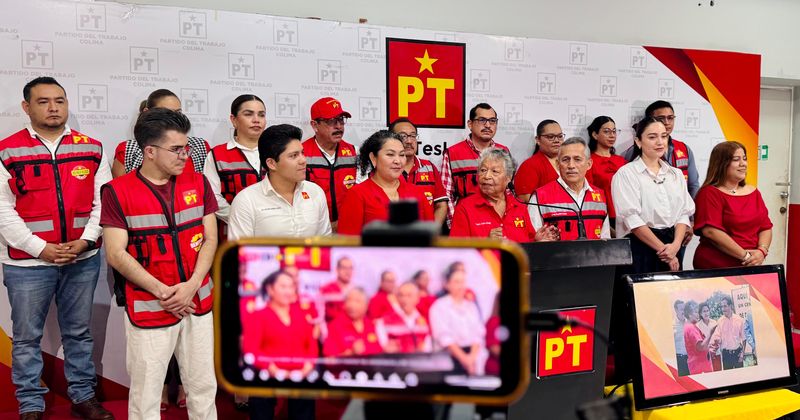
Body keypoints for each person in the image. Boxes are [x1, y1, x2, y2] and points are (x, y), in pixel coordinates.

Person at [0, 77, 113, 420]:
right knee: (26, 338)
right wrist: (40, 248)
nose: (53, 108)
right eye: (44, 101)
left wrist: (86, 241)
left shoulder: (92, 147)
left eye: (59, 101)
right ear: (26, 107)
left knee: (79, 333)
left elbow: (103, 202)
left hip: (83, 258)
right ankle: (31, 404)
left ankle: (82, 396)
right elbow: (3, 210)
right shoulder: (7, 150)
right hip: (27, 265)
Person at [102, 108, 218, 419]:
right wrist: (165, 293)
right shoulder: (117, 191)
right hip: (150, 306)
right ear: (149, 151)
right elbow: (115, 253)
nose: (185, 155)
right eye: (177, 149)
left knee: (204, 385)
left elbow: (210, 239)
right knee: (146, 393)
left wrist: (191, 286)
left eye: (186, 147)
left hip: (198, 301)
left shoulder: (199, 182)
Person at [611, 117, 694, 273]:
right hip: (640, 247)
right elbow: (632, 220)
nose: (660, 142)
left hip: (673, 245)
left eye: (664, 136)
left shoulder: (675, 174)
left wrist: (675, 246)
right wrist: (665, 251)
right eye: (652, 137)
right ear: (638, 141)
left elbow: (683, 213)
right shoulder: (626, 174)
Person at [227, 123, 331, 240]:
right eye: (293, 156)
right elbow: (237, 254)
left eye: (302, 153)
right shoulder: (246, 201)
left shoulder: (315, 192)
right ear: (271, 163)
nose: (303, 160)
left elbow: (325, 243)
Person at [241, 270, 317, 420]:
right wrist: (271, 368)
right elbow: (251, 349)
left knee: (306, 393)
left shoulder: (301, 314)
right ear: (270, 289)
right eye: (283, 286)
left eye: (291, 287)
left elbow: (311, 344)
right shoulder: (258, 315)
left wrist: (308, 365)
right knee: (260, 394)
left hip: (300, 372)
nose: (288, 291)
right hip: (268, 372)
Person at [450, 147, 557, 242]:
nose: (486, 176)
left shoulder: (519, 208)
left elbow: (527, 246)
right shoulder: (465, 208)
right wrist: (485, 243)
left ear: (508, 178)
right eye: (483, 170)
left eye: (494, 171)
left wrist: (537, 241)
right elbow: (456, 252)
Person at [693, 141, 772, 269]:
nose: (743, 164)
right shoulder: (709, 193)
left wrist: (762, 251)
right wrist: (746, 256)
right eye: (736, 159)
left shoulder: (753, 192)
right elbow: (711, 232)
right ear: (721, 164)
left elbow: (766, 227)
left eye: (744, 159)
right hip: (717, 265)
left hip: (750, 264)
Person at [337, 130, 433, 235]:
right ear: (373, 158)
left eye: (402, 155)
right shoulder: (357, 194)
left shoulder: (417, 193)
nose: (398, 161)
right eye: (390, 154)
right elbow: (348, 243)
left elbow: (431, 238)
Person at [204, 94, 267, 240]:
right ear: (234, 120)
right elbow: (212, 196)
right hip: (232, 238)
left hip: (272, 234)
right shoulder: (217, 154)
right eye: (248, 114)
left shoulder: (277, 152)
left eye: (261, 115)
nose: (256, 120)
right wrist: (242, 219)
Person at [111, 89, 210, 178]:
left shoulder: (199, 147)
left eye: (178, 112)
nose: (173, 117)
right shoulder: (129, 150)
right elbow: (120, 190)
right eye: (166, 112)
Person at [440, 103, 509, 225]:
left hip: (498, 221)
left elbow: (508, 191)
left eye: (492, 121)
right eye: (482, 120)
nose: (488, 125)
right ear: (470, 124)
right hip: (466, 222)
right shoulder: (453, 153)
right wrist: (457, 224)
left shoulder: (503, 151)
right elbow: (446, 194)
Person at [529, 137, 611, 240]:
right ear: (558, 165)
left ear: (589, 164)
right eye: (565, 160)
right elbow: (530, 240)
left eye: (577, 159)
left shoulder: (600, 196)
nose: (571, 165)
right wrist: (538, 241)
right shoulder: (540, 196)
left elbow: (606, 239)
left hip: (593, 255)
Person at [622, 100, 700, 197]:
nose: (667, 122)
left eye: (670, 118)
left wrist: (690, 211)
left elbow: (693, 185)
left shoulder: (684, 149)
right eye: (661, 118)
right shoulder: (634, 151)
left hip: (681, 209)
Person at [302, 97, 357, 231]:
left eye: (341, 120)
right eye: (331, 121)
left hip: (348, 229)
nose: (338, 126)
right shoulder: (300, 153)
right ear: (315, 125)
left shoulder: (355, 152)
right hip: (313, 231)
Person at [390, 118, 449, 226]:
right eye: (403, 136)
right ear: (390, 139)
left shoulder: (429, 167)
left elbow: (441, 205)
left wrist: (430, 232)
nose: (409, 141)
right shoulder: (386, 170)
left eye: (413, 136)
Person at [429, 264, 486, 376]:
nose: (461, 286)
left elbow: (478, 333)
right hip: (450, 357)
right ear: (447, 284)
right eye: (456, 282)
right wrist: (464, 359)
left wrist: (472, 358)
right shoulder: (439, 306)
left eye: (463, 282)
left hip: (472, 357)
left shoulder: (471, 306)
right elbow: (443, 337)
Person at [585, 116, 626, 233]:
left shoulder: (621, 161)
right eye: (606, 131)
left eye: (614, 131)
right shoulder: (589, 162)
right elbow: (589, 193)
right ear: (595, 135)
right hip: (603, 215)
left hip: (625, 215)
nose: (612, 135)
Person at [514, 119, 564, 202]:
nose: (557, 140)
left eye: (560, 136)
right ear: (538, 140)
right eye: (551, 137)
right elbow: (526, 201)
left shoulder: (569, 163)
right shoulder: (529, 166)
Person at [323, 288, 384, 356]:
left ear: (366, 305)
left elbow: (379, 353)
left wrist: (387, 350)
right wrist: (351, 353)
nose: (352, 305)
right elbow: (329, 360)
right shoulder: (335, 326)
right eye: (349, 301)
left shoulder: (372, 325)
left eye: (357, 301)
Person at [375, 282, 432, 353]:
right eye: (401, 295)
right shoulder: (384, 322)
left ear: (417, 298)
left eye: (409, 295)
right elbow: (382, 348)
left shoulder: (424, 322)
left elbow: (428, 348)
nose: (404, 299)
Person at [712, 296, 746, 370]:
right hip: (726, 355)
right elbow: (717, 337)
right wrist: (717, 340)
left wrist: (742, 354)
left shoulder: (739, 320)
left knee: (741, 376)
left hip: (738, 353)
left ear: (730, 306)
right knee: (729, 378)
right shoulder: (719, 321)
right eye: (722, 307)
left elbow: (744, 339)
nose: (723, 309)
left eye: (725, 306)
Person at [682, 301, 716, 375]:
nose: (698, 315)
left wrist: (708, 348)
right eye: (696, 312)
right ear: (689, 314)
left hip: (699, 366)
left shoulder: (690, 326)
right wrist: (710, 333)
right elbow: (701, 347)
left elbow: (698, 346)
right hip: (700, 368)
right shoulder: (691, 328)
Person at [321, 257, 355, 323]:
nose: (348, 271)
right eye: (344, 268)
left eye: (350, 268)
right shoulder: (327, 289)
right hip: (332, 329)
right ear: (337, 269)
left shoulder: (356, 291)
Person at [697, 302, 721, 371]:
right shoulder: (698, 326)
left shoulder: (714, 323)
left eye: (707, 311)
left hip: (716, 353)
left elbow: (718, 337)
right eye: (704, 311)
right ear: (700, 313)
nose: (706, 313)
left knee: (718, 374)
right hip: (705, 356)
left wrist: (717, 342)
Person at [672, 300, 689, 376]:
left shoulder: (689, 323)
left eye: (685, 309)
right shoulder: (672, 325)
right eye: (681, 309)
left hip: (690, 359)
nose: (684, 312)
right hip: (680, 360)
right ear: (676, 310)